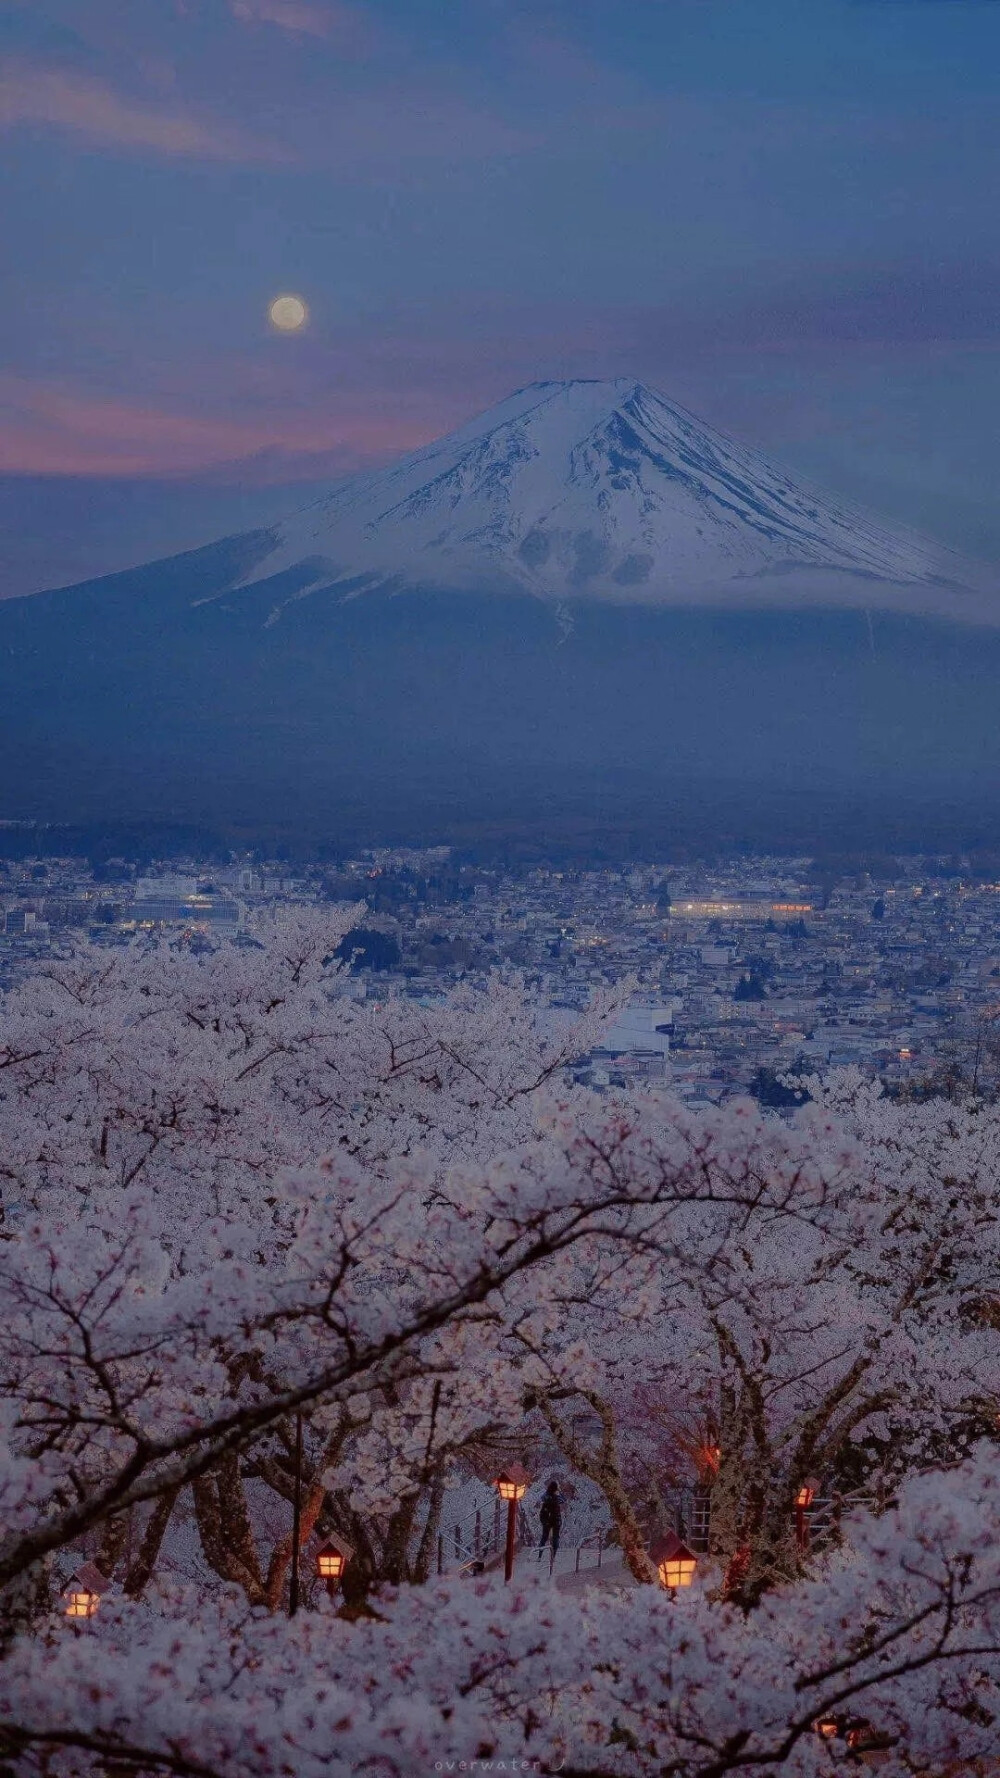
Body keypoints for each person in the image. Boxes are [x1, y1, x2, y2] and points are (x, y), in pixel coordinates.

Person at [538, 1480, 562, 1569]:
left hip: (548, 1521)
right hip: (554, 1521)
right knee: (555, 1539)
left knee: (544, 1538)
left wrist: (544, 1522)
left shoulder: (546, 1497)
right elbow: (562, 1501)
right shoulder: (556, 1498)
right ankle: (553, 1557)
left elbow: (542, 1513)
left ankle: (540, 1556)